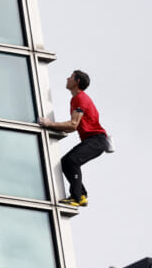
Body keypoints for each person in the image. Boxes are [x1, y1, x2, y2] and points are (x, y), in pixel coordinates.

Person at [38, 69, 112, 207]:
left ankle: (76, 197)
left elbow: (72, 125)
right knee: (66, 162)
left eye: (71, 77)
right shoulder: (76, 99)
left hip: (97, 140)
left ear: (77, 81)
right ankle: (81, 195)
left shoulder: (80, 98)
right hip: (94, 140)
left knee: (71, 161)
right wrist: (55, 127)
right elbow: (74, 126)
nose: (67, 79)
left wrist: (50, 124)